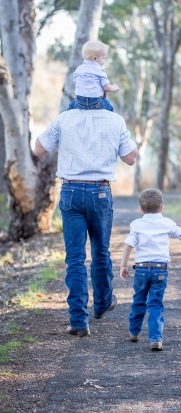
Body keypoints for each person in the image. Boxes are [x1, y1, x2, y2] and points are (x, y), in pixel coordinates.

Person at [33, 97, 138, 337]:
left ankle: (79, 321)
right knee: (100, 251)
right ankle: (101, 304)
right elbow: (131, 158)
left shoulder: (65, 119)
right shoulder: (115, 120)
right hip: (100, 192)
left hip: (70, 191)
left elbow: (38, 149)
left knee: (75, 258)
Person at [120, 189, 181, 351]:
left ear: (141, 209)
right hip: (160, 270)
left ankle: (134, 332)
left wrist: (123, 265)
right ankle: (155, 338)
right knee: (155, 304)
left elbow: (129, 245)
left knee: (139, 300)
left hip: (141, 270)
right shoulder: (167, 223)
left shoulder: (136, 224)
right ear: (161, 207)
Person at [68, 39, 119, 112]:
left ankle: (69, 118)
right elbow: (107, 88)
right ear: (94, 58)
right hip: (96, 102)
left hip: (80, 101)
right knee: (110, 108)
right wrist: (115, 87)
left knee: (70, 106)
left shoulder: (79, 69)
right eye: (104, 58)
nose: (105, 60)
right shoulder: (99, 70)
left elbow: (76, 83)